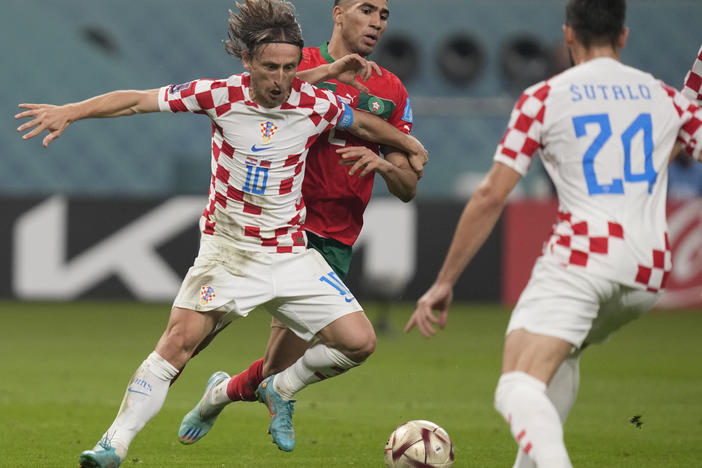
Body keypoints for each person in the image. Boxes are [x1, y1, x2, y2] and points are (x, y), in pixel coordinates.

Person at [14, 0, 427, 466]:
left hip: (292, 253)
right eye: (270, 67)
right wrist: (72, 110)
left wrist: (408, 143)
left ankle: (280, 388)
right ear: (248, 62)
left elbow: (364, 121)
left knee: (359, 342)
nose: (280, 80)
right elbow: (135, 100)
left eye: (290, 69)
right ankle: (114, 444)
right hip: (228, 254)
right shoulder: (218, 95)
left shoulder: (316, 102)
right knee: (177, 346)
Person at [404, 1, 702, 467]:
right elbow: (691, 145)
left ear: (568, 35)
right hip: (649, 270)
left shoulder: (543, 97)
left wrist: (444, 280)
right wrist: (687, 106)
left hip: (583, 256)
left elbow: (490, 195)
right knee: (561, 357)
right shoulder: (665, 97)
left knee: (515, 384)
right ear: (623, 37)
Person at [176, 0, 419, 449]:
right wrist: (324, 76)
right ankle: (149, 397)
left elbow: (408, 185)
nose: (376, 22)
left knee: (278, 366)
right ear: (339, 11)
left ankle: (220, 394)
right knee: (192, 338)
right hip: (278, 226)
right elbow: (256, 95)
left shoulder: (390, 91)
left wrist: (382, 166)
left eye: (384, 15)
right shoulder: (293, 59)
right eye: (367, 9)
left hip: (335, 235)